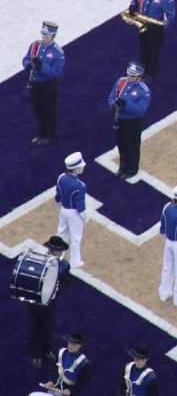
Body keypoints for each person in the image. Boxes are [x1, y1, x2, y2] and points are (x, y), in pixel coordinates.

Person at [24, 236, 70, 368]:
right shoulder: (40, 262)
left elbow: (66, 283)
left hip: (50, 301)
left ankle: (46, 349)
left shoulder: (64, 265)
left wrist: (56, 290)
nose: (56, 253)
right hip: (36, 302)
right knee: (36, 328)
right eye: (53, 250)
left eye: (58, 250)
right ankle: (35, 354)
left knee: (48, 326)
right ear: (49, 249)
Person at [128, 0, 176, 78]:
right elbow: (136, 0)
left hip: (155, 28)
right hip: (142, 25)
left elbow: (170, 16)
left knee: (153, 52)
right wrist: (133, 6)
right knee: (143, 48)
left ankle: (151, 74)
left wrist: (162, 26)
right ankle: (142, 70)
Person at [23, 20, 65, 145]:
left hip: (48, 86)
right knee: (38, 110)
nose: (44, 38)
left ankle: (50, 135)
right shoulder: (35, 45)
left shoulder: (58, 53)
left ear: (53, 36)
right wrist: (28, 65)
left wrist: (41, 66)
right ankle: (41, 133)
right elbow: (26, 58)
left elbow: (55, 72)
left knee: (49, 111)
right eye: (43, 35)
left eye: (47, 36)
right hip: (35, 84)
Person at [107, 61, 152, 178]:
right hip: (120, 120)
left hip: (133, 123)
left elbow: (141, 110)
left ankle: (132, 169)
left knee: (132, 146)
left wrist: (126, 104)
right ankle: (123, 166)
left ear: (139, 76)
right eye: (128, 74)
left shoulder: (144, 91)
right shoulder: (121, 81)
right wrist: (113, 105)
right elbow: (111, 96)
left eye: (132, 76)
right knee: (121, 144)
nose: (129, 77)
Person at [55, 152, 87, 269]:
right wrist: (85, 217)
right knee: (75, 238)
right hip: (74, 213)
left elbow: (58, 196)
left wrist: (62, 206)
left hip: (64, 210)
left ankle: (57, 256)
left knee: (61, 233)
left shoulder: (61, 177)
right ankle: (75, 262)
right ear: (76, 169)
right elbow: (80, 207)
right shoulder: (80, 186)